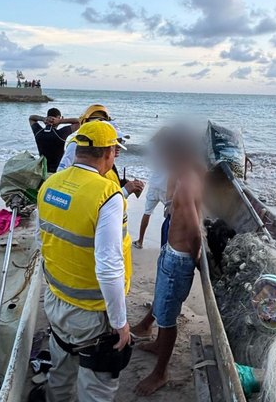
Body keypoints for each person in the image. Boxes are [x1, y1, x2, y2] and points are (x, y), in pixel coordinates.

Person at [37, 120, 133, 402]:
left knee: (61, 370)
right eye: (115, 152)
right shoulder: (107, 195)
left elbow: (41, 243)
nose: (115, 157)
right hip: (90, 314)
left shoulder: (50, 184)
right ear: (108, 153)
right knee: (96, 388)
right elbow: (109, 266)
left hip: (55, 301)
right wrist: (120, 322)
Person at [134, 133, 205, 396]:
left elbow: (196, 231)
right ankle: (156, 345)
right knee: (163, 309)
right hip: (172, 254)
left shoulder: (186, 183)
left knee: (167, 318)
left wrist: (195, 255)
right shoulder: (191, 176)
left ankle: (161, 372)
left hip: (177, 260)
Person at [133, 128, 171, 249]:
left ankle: (140, 240)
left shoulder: (154, 150)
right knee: (170, 217)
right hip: (166, 187)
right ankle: (169, 244)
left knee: (147, 213)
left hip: (154, 185)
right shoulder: (170, 152)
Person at [29, 108, 79, 173]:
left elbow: (31, 118)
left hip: (43, 170)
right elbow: (78, 122)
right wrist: (60, 121)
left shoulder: (38, 132)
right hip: (58, 171)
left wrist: (43, 119)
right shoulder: (61, 134)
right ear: (59, 117)